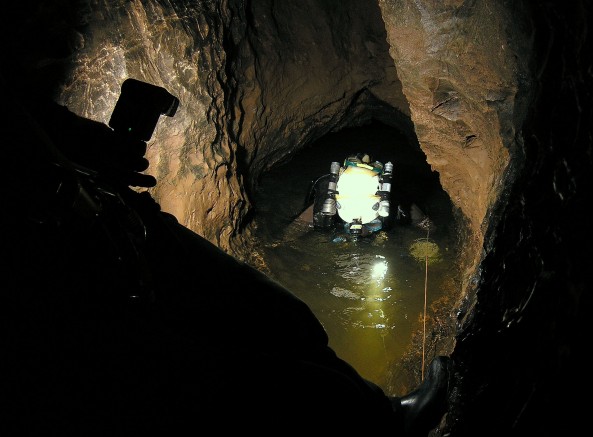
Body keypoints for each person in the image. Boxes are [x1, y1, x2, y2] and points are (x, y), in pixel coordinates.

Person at [1, 68, 450, 436]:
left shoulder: (390, 209)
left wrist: (78, 141)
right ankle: (368, 424)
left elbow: (414, 218)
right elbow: (298, 230)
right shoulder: (324, 209)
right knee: (224, 367)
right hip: (66, 254)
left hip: (106, 212)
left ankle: (377, 414)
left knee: (285, 317)